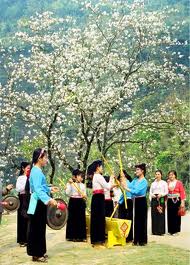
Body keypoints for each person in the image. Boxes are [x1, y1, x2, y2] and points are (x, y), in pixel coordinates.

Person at [27, 148, 59, 263]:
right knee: (36, 228)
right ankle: (36, 254)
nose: (46, 160)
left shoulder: (38, 171)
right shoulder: (35, 171)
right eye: (45, 157)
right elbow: (38, 190)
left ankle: (39, 252)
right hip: (37, 202)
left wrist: (50, 189)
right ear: (39, 158)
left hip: (39, 202)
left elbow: (42, 187)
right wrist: (49, 199)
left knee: (40, 227)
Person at [88, 160, 115, 248]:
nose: (102, 168)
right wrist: (111, 179)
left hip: (97, 198)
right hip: (99, 198)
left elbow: (106, 188)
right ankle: (99, 239)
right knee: (99, 218)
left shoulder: (95, 176)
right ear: (98, 167)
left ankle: (96, 239)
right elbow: (107, 186)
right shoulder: (98, 176)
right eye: (101, 166)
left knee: (96, 218)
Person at [123, 163, 148, 246]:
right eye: (136, 169)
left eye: (137, 170)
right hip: (136, 201)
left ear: (142, 171)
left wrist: (127, 188)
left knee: (142, 220)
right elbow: (130, 185)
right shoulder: (135, 180)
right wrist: (123, 178)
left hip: (142, 201)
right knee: (136, 220)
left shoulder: (144, 181)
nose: (136, 171)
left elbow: (137, 191)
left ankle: (142, 241)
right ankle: (136, 240)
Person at [65, 169, 87, 242]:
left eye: (82, 177)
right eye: (80, 176)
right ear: (75, 176)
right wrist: (70, 184)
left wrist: (84, 196)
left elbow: (84, 194)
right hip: (73, 201)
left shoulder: (83, 185)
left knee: (81, 218)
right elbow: (67, 193)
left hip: (80, 202)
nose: (81, 178)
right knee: (73, 218)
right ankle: (72, 236)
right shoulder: (70, 184)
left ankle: (81, 236)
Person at [16, 162, 31, 246]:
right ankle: (22, 240)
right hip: (22, 198)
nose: (29, 169)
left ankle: (28, 238)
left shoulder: (31, 177)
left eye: (30, 168)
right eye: (28, 168)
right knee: (22, 218)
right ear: (23, 168)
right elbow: (18, 189)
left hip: (30, 198)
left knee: (29, 218)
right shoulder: (21, 178)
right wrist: (26, 184)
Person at [149, 170, 168, 236]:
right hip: (154, 198)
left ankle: (161, 231)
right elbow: (150, 192)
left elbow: (166, 192)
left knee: (161, 213)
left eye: (158, 174)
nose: (157, 175)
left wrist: (161, 195)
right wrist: (152, 196)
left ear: (161, 175)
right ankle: (154, 231)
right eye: (156, 174)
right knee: (154, 214)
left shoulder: (164, 183)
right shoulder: (153, 183)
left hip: (161, 198)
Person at [167, 170, 186, 235]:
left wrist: (182, 202)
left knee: (176, 215)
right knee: (170, 214)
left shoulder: (179, 182)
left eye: (172, 174)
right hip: (169, 200)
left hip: (177, 200)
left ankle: (176, 230)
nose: (171, 176)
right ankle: (170, 230)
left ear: (175, 175)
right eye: (169, 175)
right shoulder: (168, 182)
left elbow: (182, 192)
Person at [118, 170, 133, 242]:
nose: (121, 177)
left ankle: (127, 236)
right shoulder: (124, 182)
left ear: (125, 175)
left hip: (127, 201)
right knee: (124, 219)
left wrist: (119, 202)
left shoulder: (126, 183)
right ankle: (126, 236)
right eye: (120, 176)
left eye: (122, 175)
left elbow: (125, 194)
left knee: (126, 219)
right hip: (125, 201)